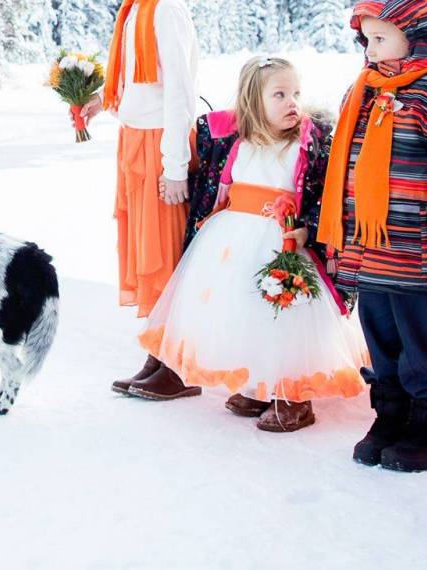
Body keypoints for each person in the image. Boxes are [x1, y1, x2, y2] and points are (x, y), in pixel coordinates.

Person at [316, 0, 427, 472]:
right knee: (380, 334)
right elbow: (344, 166)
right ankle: (389, 415)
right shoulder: (364, 91)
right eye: (366, 38)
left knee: (420, 340)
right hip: (367, 248)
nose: (370, 49)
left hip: (417, 246)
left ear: (418, 35)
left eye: (381, 37)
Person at [140, 57, 366, 430]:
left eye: (295, 93)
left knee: (281, 313)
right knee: (238, 310)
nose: (291, 102)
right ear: (252, 101)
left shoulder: (306, 145)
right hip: (230, 240)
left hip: (281, 241)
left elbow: (325, 194)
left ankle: (291, 394)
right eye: (279, 94)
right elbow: (217, 187)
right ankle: (257, 383)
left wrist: (307, 228)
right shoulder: (236, 142)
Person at [82, 0, 200, 400]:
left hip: (159, 146)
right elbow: (140, 80)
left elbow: (180, 93)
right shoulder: (135, 5)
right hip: (135, 140)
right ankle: (158, 356)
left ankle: (176, 364)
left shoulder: (165, 6)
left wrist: (176, 167)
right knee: (143, 249)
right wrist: (101, 97)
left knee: (163, 253)